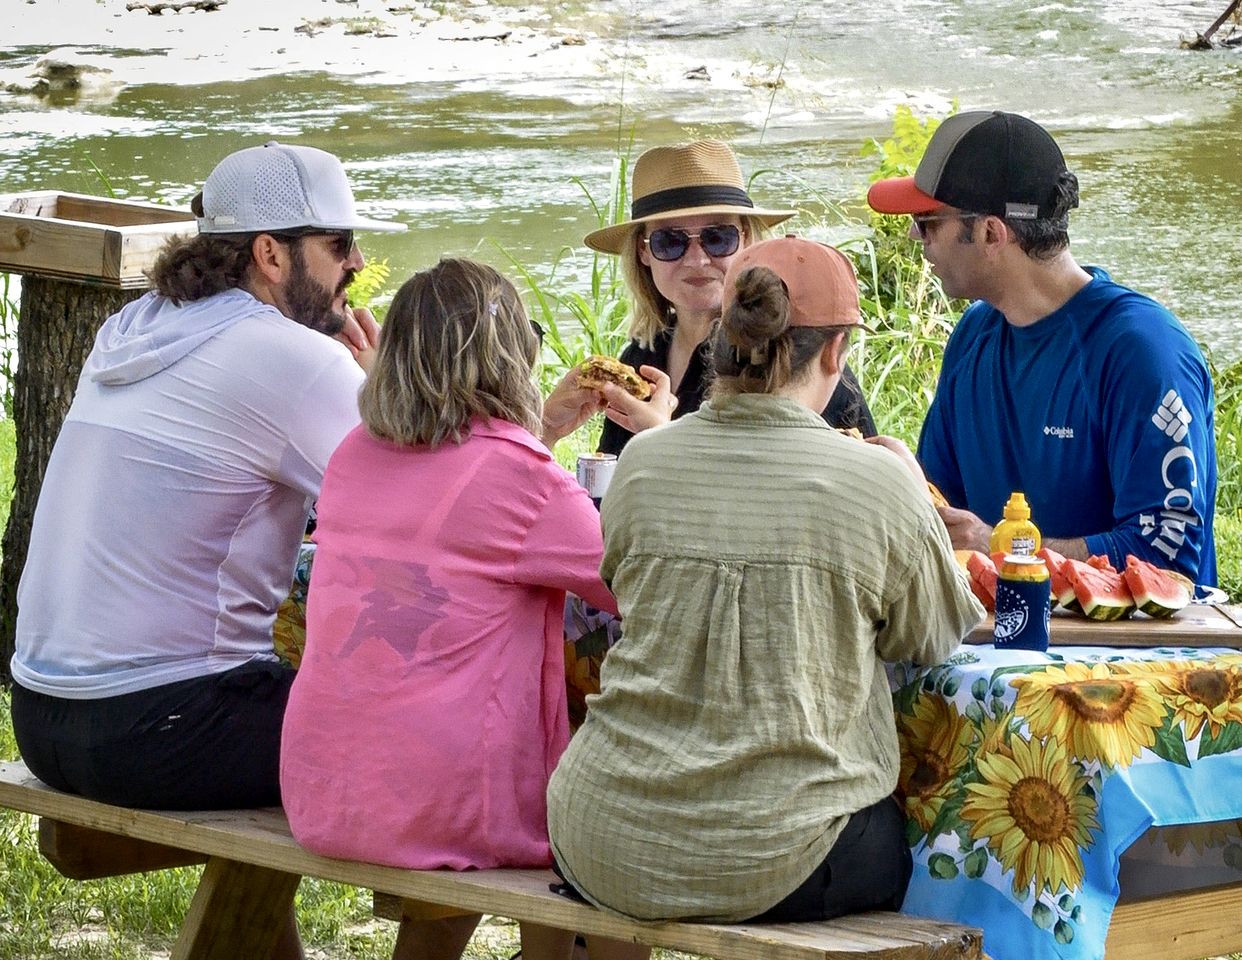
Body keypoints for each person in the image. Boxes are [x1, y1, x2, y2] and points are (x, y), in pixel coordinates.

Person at [9, 141, 404, 958]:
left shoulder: (132, 327)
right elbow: (433, 516)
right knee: (449, 737)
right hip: (163, 727)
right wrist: (378, 384)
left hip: (42, 718)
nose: (357, 264)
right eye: (339, 244)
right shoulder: (293, 358)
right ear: (270, 254)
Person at [546, 236, 984, 923]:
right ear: (836, 352)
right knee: (927, 842)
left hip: (600, 830)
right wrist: (914, 504)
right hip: (776, 854)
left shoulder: (641, 462)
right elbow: (932, 637)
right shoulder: (878, 480)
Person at [279, 258, 629, 960]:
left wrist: (541, 433)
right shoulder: (523, 476)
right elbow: (637, 587)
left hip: (327, 791)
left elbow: (465, 505)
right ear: (509, 357)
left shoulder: (354, 453)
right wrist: (660, 444)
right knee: (608, 807)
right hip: (441, 805)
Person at [867, 110, 1217, 585]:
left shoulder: (1143, 354)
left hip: (1133, 636)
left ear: (991, 233)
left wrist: (1003, 547)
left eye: (927, 222)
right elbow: (944, 509)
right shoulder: (972, 335)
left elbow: (1167, 556)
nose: (915, 237)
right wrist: (899, 479)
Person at [547, 139, 876, 453]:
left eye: (717, 237)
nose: (697, 260)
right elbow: (610, 480)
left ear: (747, 240)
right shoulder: (641, 356)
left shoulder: (794, 358)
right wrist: (545, 429)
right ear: (642, 252)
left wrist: (659, 442)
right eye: (670, 241)